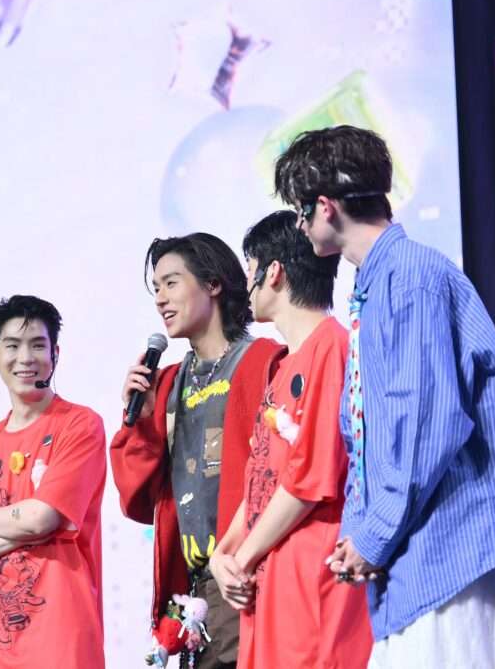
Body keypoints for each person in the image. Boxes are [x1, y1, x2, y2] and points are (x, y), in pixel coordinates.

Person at [277, 124, 495, 667]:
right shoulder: (380, 284)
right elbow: (373, 432)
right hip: (422, 553)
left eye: (301, 211)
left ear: (326, 206)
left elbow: (425, 425)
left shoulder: (409, 278)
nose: (301, 225)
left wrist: (373, 535)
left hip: (453, 547)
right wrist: (363, 533)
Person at [110, 234, 284, 668]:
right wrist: (140, 424)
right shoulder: (167, 382)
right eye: (156, 288)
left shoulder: (265, 362)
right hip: (191, 592)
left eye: (171, 283)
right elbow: (136, 500)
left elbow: (283, 472)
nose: (160, 298)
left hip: (246, 577)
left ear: (213, 284)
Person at [209, 210, 371, 667]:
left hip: (310, 571)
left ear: (274, 272)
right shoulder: (283, 366)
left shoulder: (332, 346)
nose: (246, 286)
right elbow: (263, 474)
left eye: (250, 271)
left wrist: (244, 555)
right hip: (270, 574)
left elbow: (310, 476)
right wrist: (225, 554)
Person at [0, 295, 107, 668]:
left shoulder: (79, 425)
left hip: (62, 643)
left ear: (55, 353)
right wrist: (30, 526)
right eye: (12, 346)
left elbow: (41, 518)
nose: (25, 358)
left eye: (38, 345)